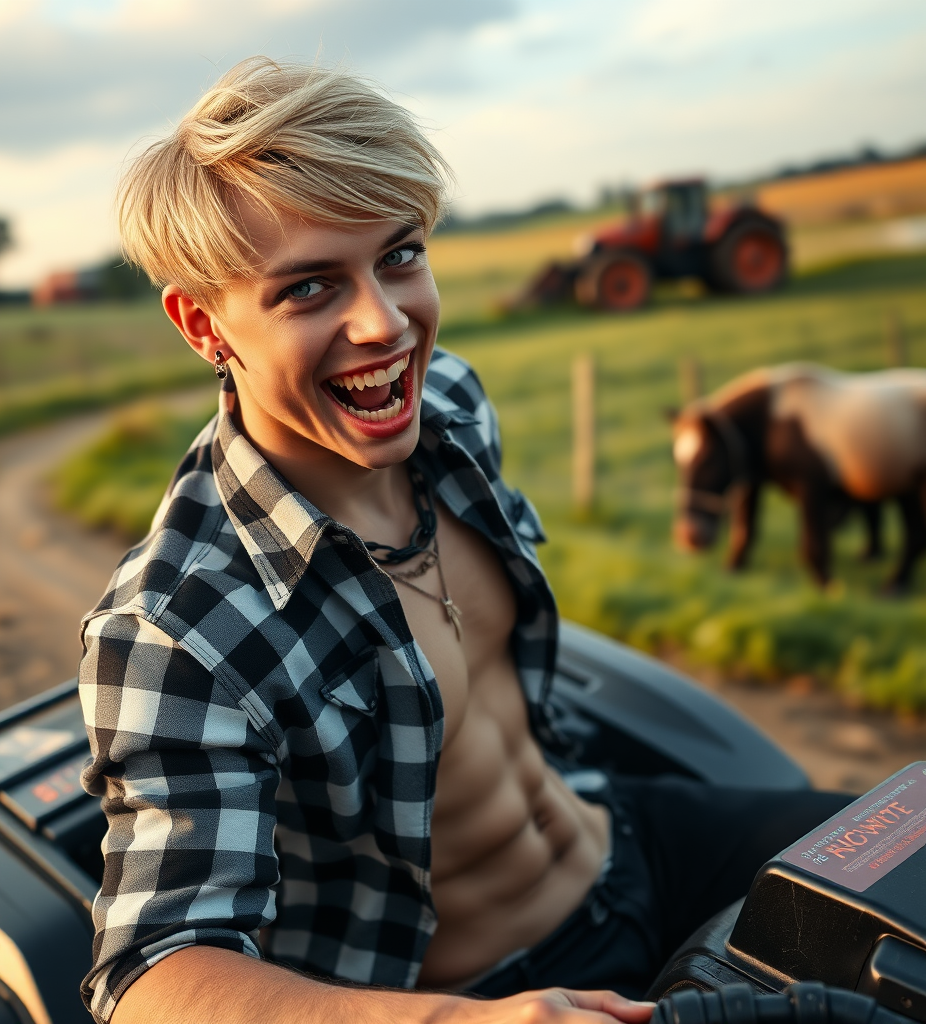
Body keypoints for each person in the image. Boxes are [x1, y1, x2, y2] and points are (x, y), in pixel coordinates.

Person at [77, 57, 849, 1024]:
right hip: (481, 990)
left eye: (399, 256)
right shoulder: (176, 629)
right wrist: (469, 1023)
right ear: (203, 325)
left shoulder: (450, 405)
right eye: (311, 288)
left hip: (622, 834)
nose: (385, 322)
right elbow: (152, 977)